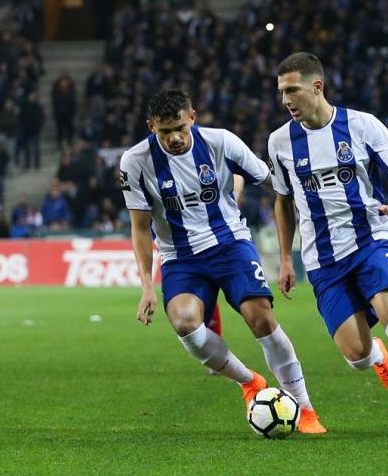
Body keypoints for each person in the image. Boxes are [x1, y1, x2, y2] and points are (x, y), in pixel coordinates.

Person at [269, 52, 388, 438]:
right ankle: (377, 356)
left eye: (293, 90)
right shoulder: (280, 141)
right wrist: (286, 258)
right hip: (322, 258)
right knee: (355, 355)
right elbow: (283, 200)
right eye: (282, 92)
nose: (286, 100)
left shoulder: (361, 125)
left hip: (370, 238)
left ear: (317, 87)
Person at [120, 88, 325, 433]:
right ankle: (249, 382)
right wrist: (146, 286)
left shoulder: (221, 142)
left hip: (230, 244)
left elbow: (273, 184)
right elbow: (140, 227)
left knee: (260, 317)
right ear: (151, 126)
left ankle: (305, 409)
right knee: (184, 322)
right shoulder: (135, 161)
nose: (174, 138)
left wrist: (310, 208)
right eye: (165, 131)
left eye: (180, 128)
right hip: (180, 257)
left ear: (193, 117)